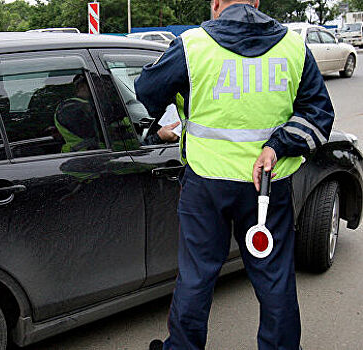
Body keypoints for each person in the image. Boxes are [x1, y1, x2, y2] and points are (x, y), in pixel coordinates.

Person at [134, 1, 334, 350]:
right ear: (255, 1)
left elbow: (147, 92)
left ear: (214, 4)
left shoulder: (193, 45)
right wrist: (277, 145)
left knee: (197, 276)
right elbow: (319, 116)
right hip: (267, 187)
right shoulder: (292, 45)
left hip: (206, 183)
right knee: (274, 278)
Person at [54, 74, 104, 152]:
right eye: (96, 85)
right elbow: (88, 130)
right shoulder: (69, 107)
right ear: (82, 87)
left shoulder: (89, 104)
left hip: (92, 153)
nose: (100, 89)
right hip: (82, 155)